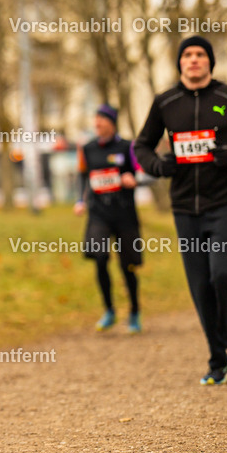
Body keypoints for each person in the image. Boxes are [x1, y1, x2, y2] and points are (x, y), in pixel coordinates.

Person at [134, 35, 227, 385]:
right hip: (184, 209)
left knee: (225, 274)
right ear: (180, 63)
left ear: (209, 62)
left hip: (224, 204)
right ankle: (216, 360)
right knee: (201, 286)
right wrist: (158, 167)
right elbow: (141, 145)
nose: (194, 60)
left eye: (200, 54)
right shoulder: (166, 102)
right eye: (188, 55)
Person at [74, 104, 143, 333]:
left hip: (124, 213)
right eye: (95, 120)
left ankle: (134, 311)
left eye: (102, 120)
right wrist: (81, 200)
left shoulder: (127, 146)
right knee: (100, 258)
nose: (97, 124)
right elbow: (83, 177)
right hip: (99, 213)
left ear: (112, 123)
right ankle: (109, 310)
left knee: (128, 265)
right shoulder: (88, 149)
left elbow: (140, 172)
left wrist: (133, 179)